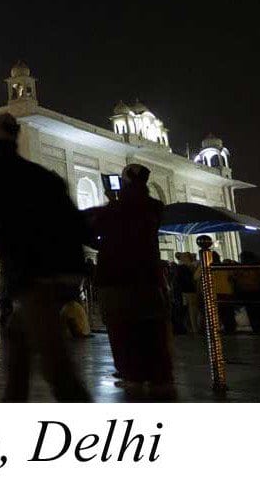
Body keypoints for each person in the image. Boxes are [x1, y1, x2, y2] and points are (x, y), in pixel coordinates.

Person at [0, 114, 90, 401]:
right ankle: (12, 402)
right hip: (65, 269)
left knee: (55, 363)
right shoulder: (41, 174)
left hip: (38, 274)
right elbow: (80, 226)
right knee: (18, 340)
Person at [85, 163, 173, 397]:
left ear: (123, 182)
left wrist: (111, 206)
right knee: (152, 330)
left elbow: (90, 233)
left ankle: (132, 376)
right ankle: (159, 378)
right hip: (148, 278)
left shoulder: (113, 210)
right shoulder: (155, 207)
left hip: (115, 278)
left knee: (122, 329)